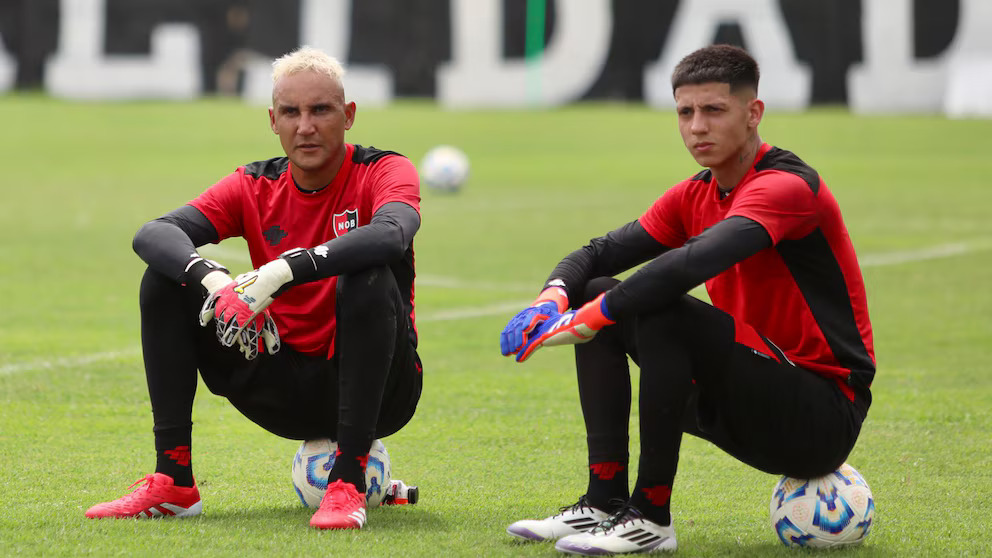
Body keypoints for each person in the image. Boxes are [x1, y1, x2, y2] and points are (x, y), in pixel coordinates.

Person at [499, 44, 874, 555]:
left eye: (714, 110)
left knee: (656, 306)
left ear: (753, 113)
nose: (697, 127)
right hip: (746, 398)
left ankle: (651, 517)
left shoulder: (787, 187)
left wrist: (590, 318)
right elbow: (598, 252)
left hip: (822, 415)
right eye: (685, 112)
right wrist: (552, 299)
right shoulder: (696, 194)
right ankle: (605, 500)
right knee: (596, 287)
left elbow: (690, 264)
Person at [85, 46, 424, 530]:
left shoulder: (384, 169)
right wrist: (215, 280)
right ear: (272, 120)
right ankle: (173, 481)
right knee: (164, 279)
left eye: (320, 110)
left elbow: (391, 234)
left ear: (348, 115)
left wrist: (284, 270)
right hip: (285, 385)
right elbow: (154, 233)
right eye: (291, 112)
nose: (305, 126)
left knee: (368, 272)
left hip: (385, 389)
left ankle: (347, 482)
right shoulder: (254, 184)